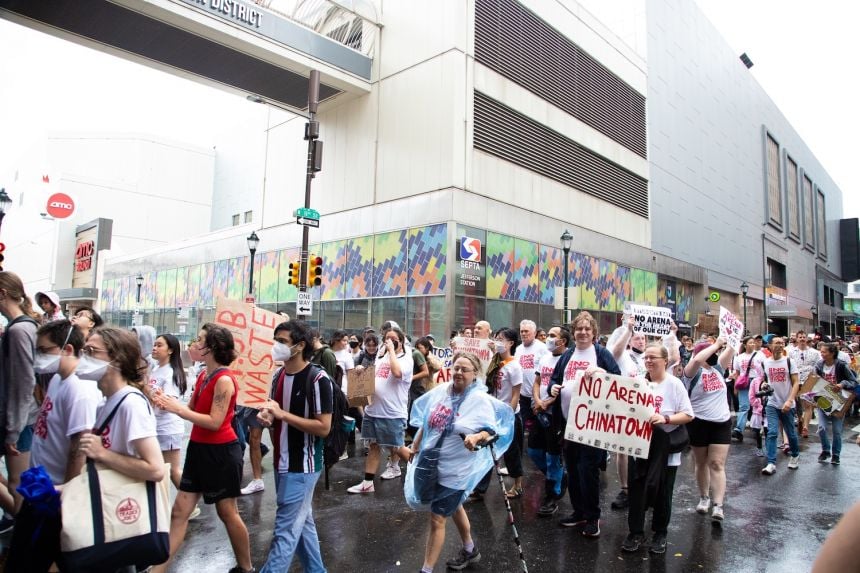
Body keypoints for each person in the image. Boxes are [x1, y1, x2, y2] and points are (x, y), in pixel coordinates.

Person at [151, 324, 253, 573]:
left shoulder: (224, 379)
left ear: (212, 348)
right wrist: (166, 401)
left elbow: (215, 422)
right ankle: (158, 569)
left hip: (221, 453)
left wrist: (177, 409)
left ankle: (246, 568)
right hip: (198, 449)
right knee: (179, 512)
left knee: (227, 511)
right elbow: (194, 410)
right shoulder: (203, 375)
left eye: (200, 340)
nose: (194, 344)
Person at [405, 351, 514, 573]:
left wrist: (476, 437)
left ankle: (426, 569)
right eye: (455, 368)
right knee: (454, 506)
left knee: (437, 518)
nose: (458, 372)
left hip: (456, 469)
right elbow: (427, 420)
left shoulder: (479, 400)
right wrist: (414, 447)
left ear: (475, 374)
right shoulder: (442, 392)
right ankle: (470, 549)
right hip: (430, 461)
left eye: (464, 369)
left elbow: (490, 431)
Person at [75, 328, 166, 568]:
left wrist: (101, 453)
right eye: (84, 350)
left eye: (92, 351)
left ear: (116, 359)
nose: (84, 357)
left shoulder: (131, 404)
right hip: (109, 515)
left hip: (122, 518)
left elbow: (155, 469)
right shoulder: (105, 402)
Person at [256, 320, 333, 573]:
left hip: (303, 467)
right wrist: (268, 419)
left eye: (282, 341)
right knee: (302, 524)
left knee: (285, 532)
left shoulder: (317, 379)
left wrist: (282, 415)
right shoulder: (278, 375)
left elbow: (323, 427)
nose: (276, 346)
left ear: (300, 346)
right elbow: (276, 418)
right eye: (275, 339)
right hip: (282, 463)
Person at [549, 311, 621, 537]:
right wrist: (552, 387)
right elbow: (555, 378)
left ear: (594, 333)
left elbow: (617, 380)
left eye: (587, 329)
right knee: (572, 469)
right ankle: (578, 512)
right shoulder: (568, 354)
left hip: (592, 426)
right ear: (573, 332)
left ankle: (592, 517)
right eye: (578, 329)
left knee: (587, 471)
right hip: (568, 424)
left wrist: (601, 372)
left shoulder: (601, 353)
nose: (582, 332)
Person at [621, 343, 694, 554]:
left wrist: (665, 418)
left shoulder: (674, 384)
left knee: (663, 492)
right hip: (640, 446)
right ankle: (635, 532)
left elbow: (688, 415)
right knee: (637, 491)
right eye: (646, 358)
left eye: (653, 357)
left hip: (665, 449)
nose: (649, 361)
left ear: (665, 361)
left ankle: (660, 532)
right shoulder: (638, 383)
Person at [30, 320, 102, 485]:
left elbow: (79, 449)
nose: (39, 356)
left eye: (44, 350)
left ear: (68, 349)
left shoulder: (80, 389)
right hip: (44, 481)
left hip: (58, 488)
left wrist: (68, 493)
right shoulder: (58, 378)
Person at [348, 327, 414, 492]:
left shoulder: (406, 358)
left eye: (393, 339)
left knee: (397, 446)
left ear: (401, 341)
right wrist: (362, 372)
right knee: (374, 445)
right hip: (373, 410)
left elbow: (397, 372)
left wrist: (391, 350)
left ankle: (424, 473)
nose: (389, 341)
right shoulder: (381, 356)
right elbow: (376, 377)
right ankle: (367, 483)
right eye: (387, 339)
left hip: (391, 413)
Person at [0, 272, 41, 523]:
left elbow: (24, 383)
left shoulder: (19, 330)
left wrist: (13, 430)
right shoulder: (21, 327)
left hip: (20, 419)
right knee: (20, 482)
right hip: (19, 417)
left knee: (19, 483)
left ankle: (27, 534)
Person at [682, 336, 734, 523]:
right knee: (701, 462)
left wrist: (733, 338)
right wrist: (716, 344)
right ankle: (704, 497)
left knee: (717, 464)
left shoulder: (718, 369)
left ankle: (718, 505)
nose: (714, 355)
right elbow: (696, 360)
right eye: (710, 352)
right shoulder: (691, 373)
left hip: (721, 422)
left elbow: (731, 350)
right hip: (699, 423)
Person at [606, 314, 648, 511]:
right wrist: (628, 329)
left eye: (643, 338)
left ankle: (644, 487)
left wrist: (672, 334)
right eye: (637, 338)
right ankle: (625, 489)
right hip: (624, 407)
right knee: (622, 450)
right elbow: (613, 353)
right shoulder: (624, 356)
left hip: (646, 409)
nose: (641, 341)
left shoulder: (649, 357)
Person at [529, 326, 569, 516]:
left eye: (553, 336)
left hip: (556, 415)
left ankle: (552, 496)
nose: (549, 338)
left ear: (563, 341)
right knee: (534, 451)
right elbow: (537, 382)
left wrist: (547, 403)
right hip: (540, 412)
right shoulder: (545, 357)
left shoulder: (567, 359)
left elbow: (563, 388)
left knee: (553, 456)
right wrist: (538, 401)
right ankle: (559, 477)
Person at [487, 327, 525, 498]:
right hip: (493, 413)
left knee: (512, 451)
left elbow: (516, 393)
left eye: (501, 339)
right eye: (496, 338)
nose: (497, 342)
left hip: (509, 415)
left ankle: (518, 485)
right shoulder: (494, 361)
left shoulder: (514, 366)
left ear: (511, 343)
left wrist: (508, 414)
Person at [148, 334, 188, 491]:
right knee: (159, 470)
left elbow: (168, 403)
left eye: (159, 345)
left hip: (168, 428)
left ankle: (188, 503)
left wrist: (151, 395)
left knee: (172, 471)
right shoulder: (157, 368)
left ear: (170, 350)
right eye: (154, 345)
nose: (154, 348)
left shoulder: (171, 373)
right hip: (155, 426)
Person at [760, 336, 800, 475]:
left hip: (787, 403)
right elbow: (765, 380)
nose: (780, 345)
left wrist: (790, 400)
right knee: (771, 432)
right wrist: (763, 385)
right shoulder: (765, 363)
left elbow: (796, 383)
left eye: (782, 343)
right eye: (777, 343)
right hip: (772, 403)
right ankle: (771, 462)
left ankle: (795, 455)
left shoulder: (789, 361)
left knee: (790, 433)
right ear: (770, 346)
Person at [812, 342, 857, 465]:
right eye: (821, 352)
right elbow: (813, 380)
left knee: (837, 431)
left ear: (832, 353)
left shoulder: (841, 365)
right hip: (823, 400)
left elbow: (853, 382)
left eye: (824, 352)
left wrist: (842, 384)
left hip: (839, 402)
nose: (821, 354)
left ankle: (836, 454)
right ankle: (825, 450)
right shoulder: (819, 365)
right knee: (821, 428)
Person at [515, 319, 548, 436]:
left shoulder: (542, 348)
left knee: (538, 429)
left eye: (526, 331)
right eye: (521, 331)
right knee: (520, 425)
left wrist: (538, 397)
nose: (523, 334)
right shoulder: (518, 349)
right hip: (522, 395)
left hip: (538, 395)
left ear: (534, 333)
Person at [730, 336, 765, 442]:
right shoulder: (739, 357)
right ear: (745, 345)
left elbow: (765, 370)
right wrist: (736, 386)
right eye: (750, 343)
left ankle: (758, 427)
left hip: (757, 381)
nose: (753, 344)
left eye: (753, 343)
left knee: (757, 405)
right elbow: (737, 373)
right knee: (743, 406)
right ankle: (738, 430)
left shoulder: (760, 355)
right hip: (744, 382)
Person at [789, 331, 820, 439]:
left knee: (808, 404)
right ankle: (800, 420)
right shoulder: (791, 352)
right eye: (800, 337)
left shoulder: (815, 352)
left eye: (804, 337)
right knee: (797, 405)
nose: (802, 339)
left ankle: (806, 427)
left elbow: (819, 366)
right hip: (796, 380)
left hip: (809, 380)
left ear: (806, 339)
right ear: (796, 339)